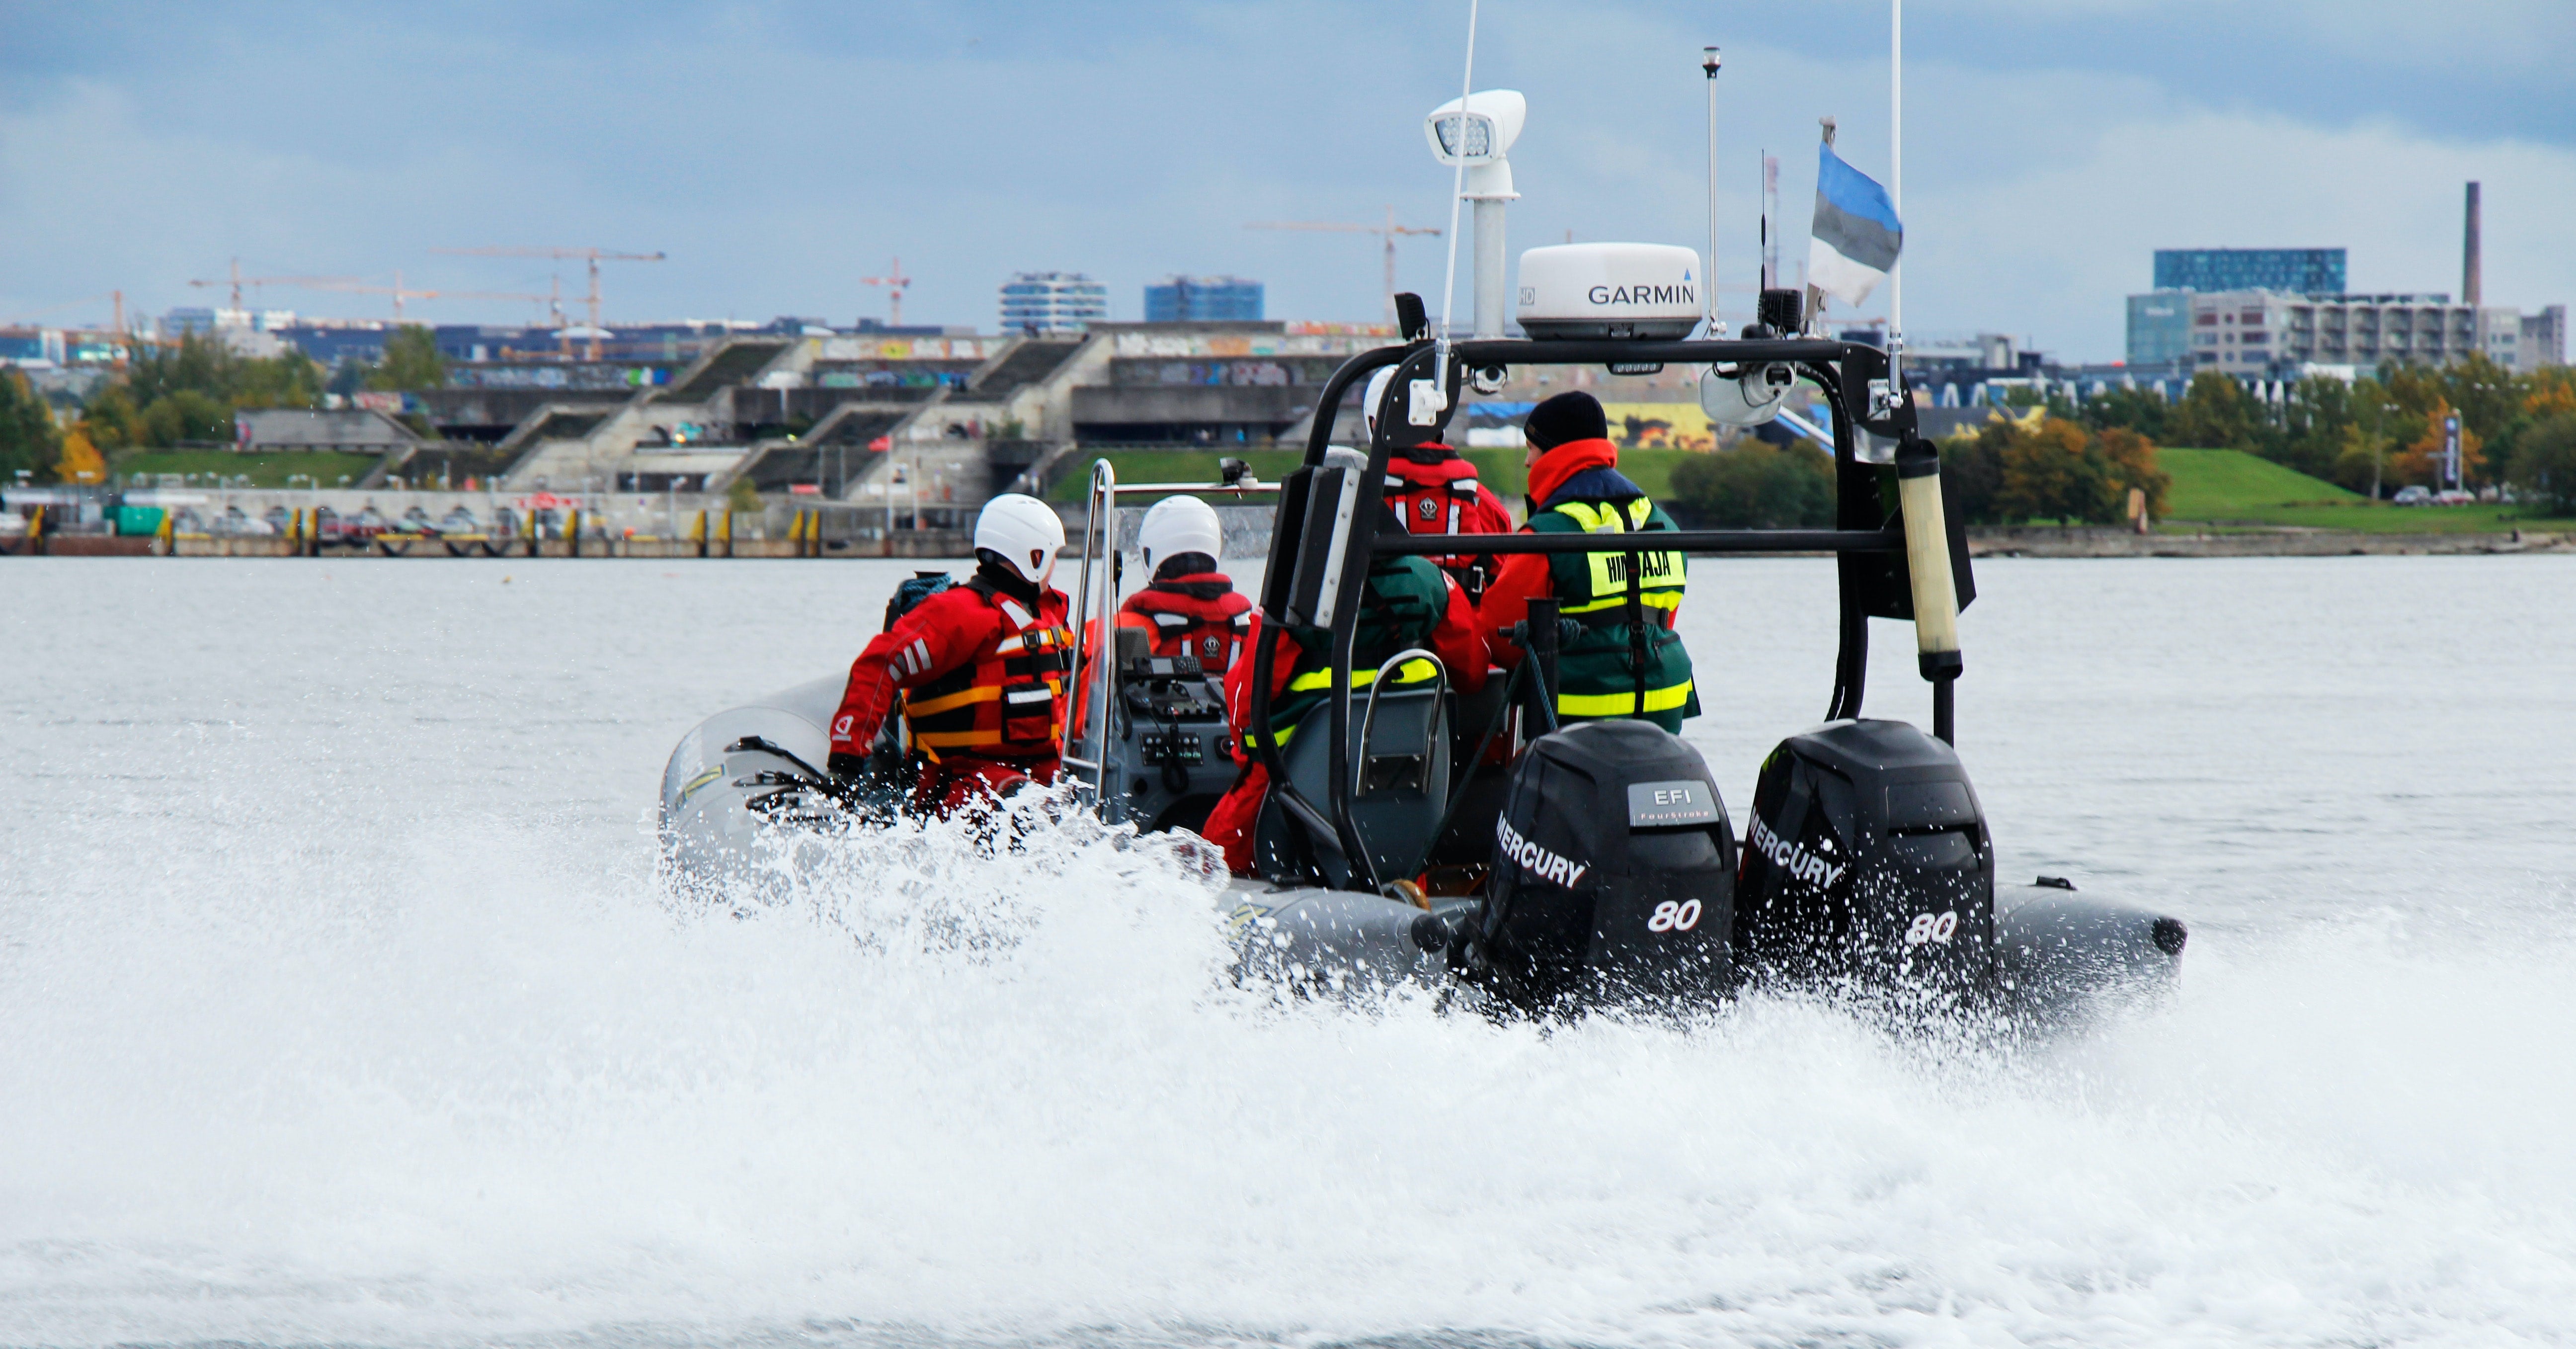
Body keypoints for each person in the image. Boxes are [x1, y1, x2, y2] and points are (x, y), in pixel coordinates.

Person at [1200, 500, 1487, 876]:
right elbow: (1474, 671)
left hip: (1302, 776)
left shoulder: (1295, 590)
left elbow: (1248, 698)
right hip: (1405, 777)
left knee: (1213, 860)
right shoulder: (1433, 583)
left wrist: (1245, 751)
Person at [826, 494, 1075, 815]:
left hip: (1039, 767)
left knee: (1083, 799)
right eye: (1054, 556)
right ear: (1035, 556)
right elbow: (882, 663)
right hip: (964, 776)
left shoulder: (1051, 613)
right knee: (1032, 806)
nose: (1054, 566)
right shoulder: (961, 613)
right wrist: (846, 763)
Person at [1476, 390, 1698, 733]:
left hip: (1582, 714)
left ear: (1554, 452)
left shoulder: (1549, 532)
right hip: (1665, 706)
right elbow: (1663, 618)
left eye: (1531, 449)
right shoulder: (1663, 523)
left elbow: (1498, 635)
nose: (1526, 462)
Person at [1362, 366, 1516, 596]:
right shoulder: (1484, 503)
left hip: (1378, 630)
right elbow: (1504, 588)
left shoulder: (1353, 500)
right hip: (1464, 628)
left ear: (1375, 423)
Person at [1110, 495, 1252, 670]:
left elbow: (1095, 691)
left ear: (1149, 553)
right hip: (1233, 698)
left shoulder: (1130, 627)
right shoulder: (1250, 623)